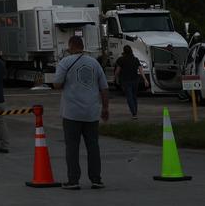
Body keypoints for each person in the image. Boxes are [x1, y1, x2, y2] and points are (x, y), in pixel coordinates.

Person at [50, 35, 111, 189]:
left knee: (72, 147)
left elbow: (56, 84)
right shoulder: (94, 63)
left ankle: (73, 180)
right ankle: (96, 179)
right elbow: (104, 87)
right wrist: (105, 108)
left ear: (71, 46)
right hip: (91, 112)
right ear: (82, 46)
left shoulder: (65, 62)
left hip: (71, 113)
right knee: (93, 146)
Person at [114, 47, 142, 120]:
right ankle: (135, 111)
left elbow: (117, 71)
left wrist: (116, 79)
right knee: (134, 97)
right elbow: (140, 69)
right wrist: (145, 79)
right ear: (131, 51)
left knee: (129, 97)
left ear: (124, 51)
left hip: (125, 81)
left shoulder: (121, 59)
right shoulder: (135, 59)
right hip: (135, 80)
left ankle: (134, 113)